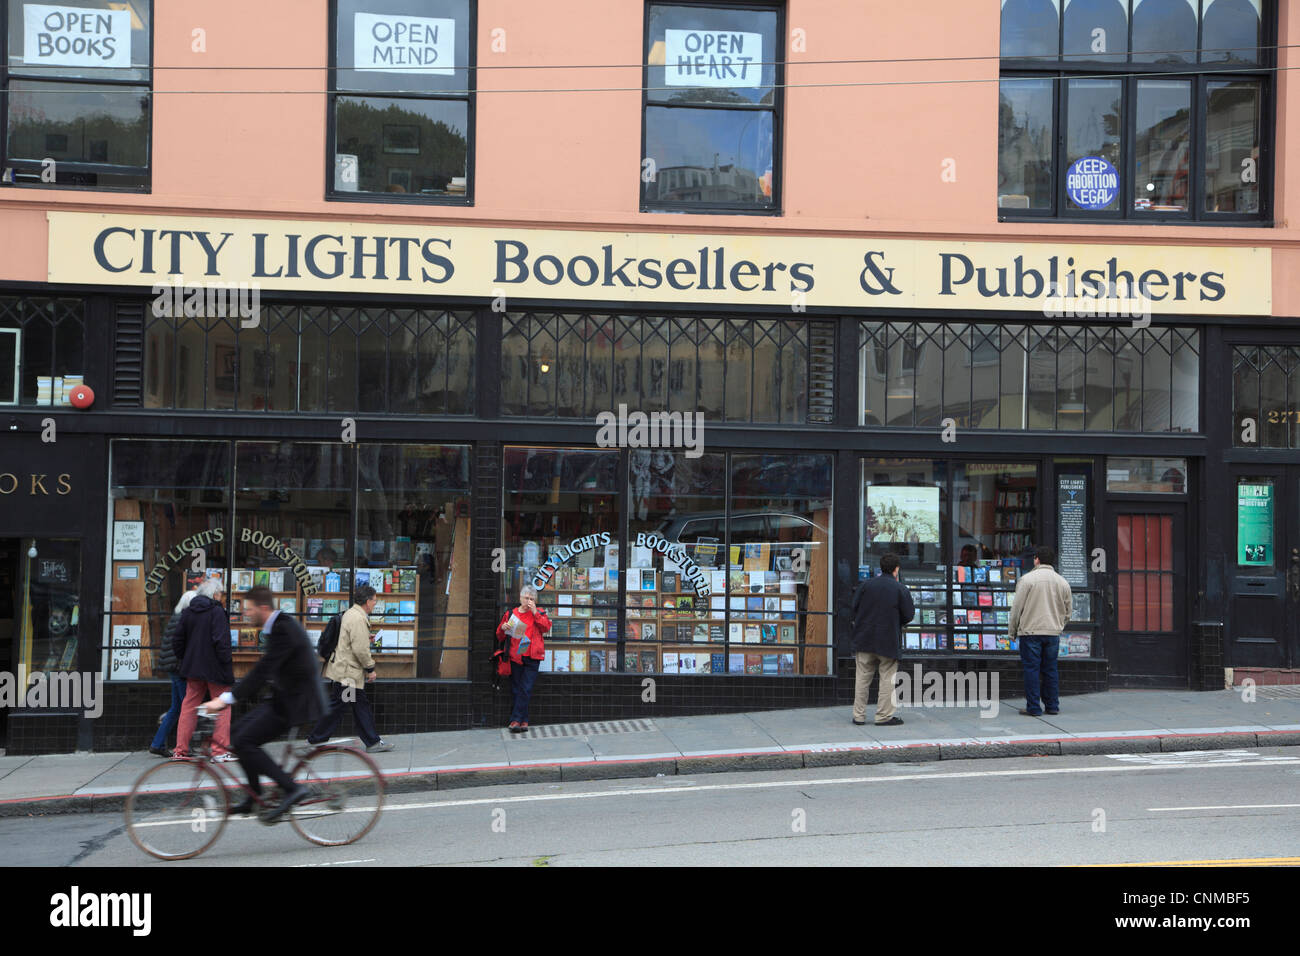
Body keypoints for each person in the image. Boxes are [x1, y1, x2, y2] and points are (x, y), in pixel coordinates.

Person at [203, 586, 328, 822]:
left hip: (296, 702)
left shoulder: (283, 629)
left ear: (263, 608)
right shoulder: (276, 627)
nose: (246, 615)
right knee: (235, 734)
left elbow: (263, 670)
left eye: (249, 610)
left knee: (245, 741)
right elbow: (267, 669)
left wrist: (225, 699)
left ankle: (293, 788)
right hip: (283, 697)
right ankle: (254, 797)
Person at [308, 585, 395, 753]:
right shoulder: (358, 618)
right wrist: (370, 669)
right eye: (375, 601)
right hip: (348, 674)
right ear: (368, 601)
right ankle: (315, 740)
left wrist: (364, 637)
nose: (375, 604)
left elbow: (352, 640)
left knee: (355, 705)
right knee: (341, 706)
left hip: (345, 671)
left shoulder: (351, 614)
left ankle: (372, 741)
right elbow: (360, 649)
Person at [172, 578, 235, 760]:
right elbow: (221, 641)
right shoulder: (217, 612)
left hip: (193, 668)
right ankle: (219, 751)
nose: (221, 596)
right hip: (215, 667)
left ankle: (180, 750)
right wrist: (226, 662)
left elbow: (177, 641)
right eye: (220, 593)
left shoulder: (188, 612)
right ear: (215, 594)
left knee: (189, 706)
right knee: (222, 704)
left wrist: (185, 658)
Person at [850, 553, 915, 727]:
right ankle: (883, 716)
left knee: (862, 677)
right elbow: (909, 615)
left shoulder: (866, 585)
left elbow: (853, 607)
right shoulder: (900, 589)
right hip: (888, 639)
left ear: (881, 567)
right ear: (896, 569)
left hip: (864, 637)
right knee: (887, 678)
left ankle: (858, 715)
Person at [1009, 545, 1073, 717]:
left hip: (1030, 632)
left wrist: (1012, 631)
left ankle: (1034, 707)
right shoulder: (1063, 582)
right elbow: (1068, 611)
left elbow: (1016, 609)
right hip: (1052, 632)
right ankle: (1052, 706)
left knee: (1031, 670)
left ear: (1036, 559)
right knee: (1050, 670)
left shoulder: (1027, 580)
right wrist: (1058, 625)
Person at [148, 588, 197, 758]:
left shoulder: (176, 617)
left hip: (172, 668)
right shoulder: (185, 619)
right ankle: (184, 745)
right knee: (187, 708)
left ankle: (157, 743)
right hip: (179, 668)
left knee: (176, 708)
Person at [496, 584, 550, 733]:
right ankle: (523, 720)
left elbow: (546, 627)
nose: (528, 601)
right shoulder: (511, 614)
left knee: (525, 688)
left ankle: (515, 720)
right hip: (516, 656)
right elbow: (500, 635)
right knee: (516, 689)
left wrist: (535, 612)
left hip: (532, 656)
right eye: (526, 598)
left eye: (532, 599)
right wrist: (503, 628)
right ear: (520, 598)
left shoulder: (539, 612)